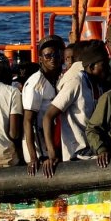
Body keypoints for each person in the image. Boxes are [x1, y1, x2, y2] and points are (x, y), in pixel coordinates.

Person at [43, 38, 110, 170]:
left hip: (95, 151)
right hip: (78, 155)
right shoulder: (76, 82)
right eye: (104, 65)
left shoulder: (99, 84)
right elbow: (48, 116)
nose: (108, 69)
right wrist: (52, 154)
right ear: (91, 67)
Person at [19, 37, 66, 167]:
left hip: (54, 145)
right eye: (47, 55)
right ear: (40, 59)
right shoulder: (35, 84)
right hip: (41, 151)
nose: (53, 58)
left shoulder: (60, 78)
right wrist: (33, 158)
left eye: (56, 54)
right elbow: (28, 121)